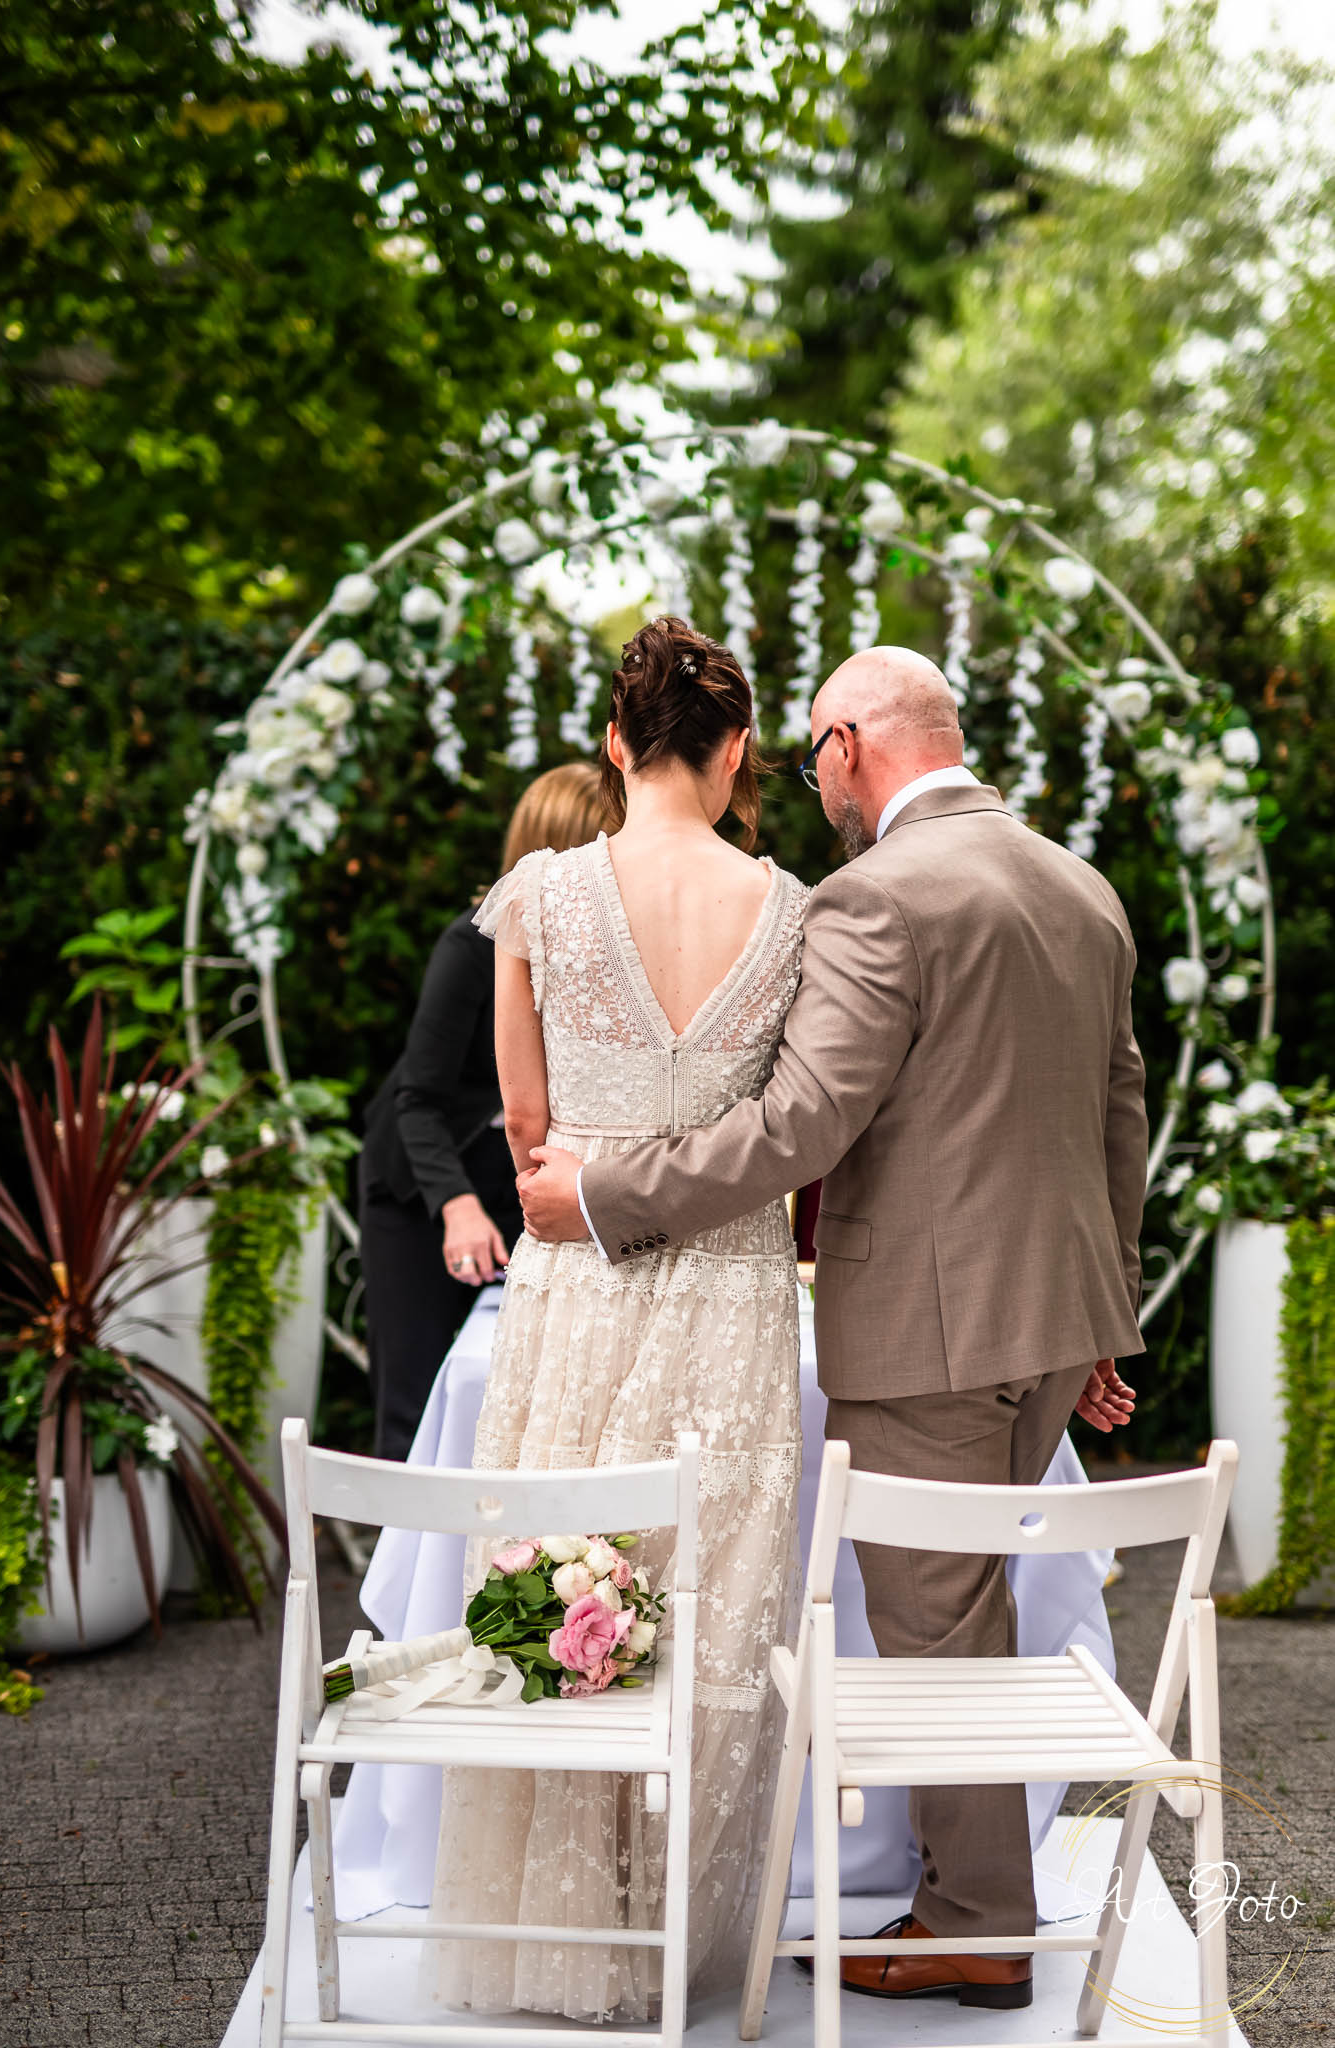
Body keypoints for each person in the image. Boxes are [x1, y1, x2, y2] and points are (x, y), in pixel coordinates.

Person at [520, 644, 1147, 2015]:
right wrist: (1107, 1311)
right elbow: (1116, 1111)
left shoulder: (877, 896)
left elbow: (798, 1126)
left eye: (813, 762)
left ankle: (978, 1926)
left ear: (849, 745)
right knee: (965, 1614)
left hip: (930, 1334)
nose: (814, 790)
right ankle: (965, 1900)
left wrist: (605, 1192)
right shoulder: (1078, 885)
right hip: (1050, 1327)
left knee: (934, 1632)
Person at [428, 617, 810, 2022]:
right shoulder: (794, 908)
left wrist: (583, 1169)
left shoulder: (537, 892)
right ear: (737, 748)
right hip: (733, 1290)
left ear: (613, 739)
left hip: (577, 1274)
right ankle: (673, 1943)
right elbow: (792, 1130)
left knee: (562, 1581)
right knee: (708, 1611)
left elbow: (524, 1122)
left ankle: (562, 1941)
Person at [357, 762, 608, 1462]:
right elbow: (417, 1099)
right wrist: (456, 1206)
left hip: (512, 1184)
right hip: (420, 1189)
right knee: (413, 1401)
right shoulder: (471, 946)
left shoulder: (606, 956)